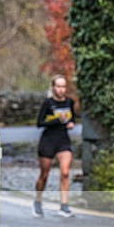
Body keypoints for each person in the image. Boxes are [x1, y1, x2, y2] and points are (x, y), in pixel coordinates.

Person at [34, 74, 76, 218]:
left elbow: (72, 118)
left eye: (63, 86)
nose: (61, 90)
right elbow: (39, 123)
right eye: (58, 86)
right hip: (48, 141)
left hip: (63, 141)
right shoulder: (48, 103)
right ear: (53, 88)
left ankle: (64, 205)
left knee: (65, 173)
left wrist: (70, 123)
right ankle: (38, 201)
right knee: (44, 175)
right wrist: (56, 121)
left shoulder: (69, 102)